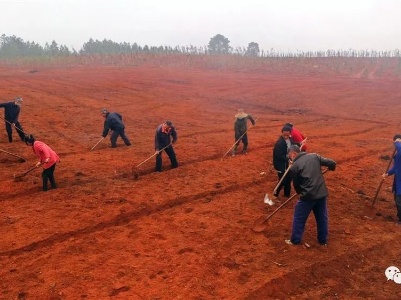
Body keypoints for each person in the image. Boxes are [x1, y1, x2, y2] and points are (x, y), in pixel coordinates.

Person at [285, 145, 336, 246]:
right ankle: (323, 241)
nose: (290, 159)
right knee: (322, 217)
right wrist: (332, 167)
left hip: (308, 196)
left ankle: (295, 240)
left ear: (293, 154)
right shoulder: (314, 156)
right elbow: (331, 163)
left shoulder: (295, 166)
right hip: (321, 193)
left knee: (299, 217)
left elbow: (296, 185)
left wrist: (300, 193)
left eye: (289, 156)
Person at [382, 134, 401, 225]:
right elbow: (395, 167)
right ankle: (399, 216)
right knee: (397, 198)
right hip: (398, 179)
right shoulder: (398, 155)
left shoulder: (400, 149)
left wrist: (397, 142)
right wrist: (387, 173)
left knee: (399, 199)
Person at [273, 125, 294, 198]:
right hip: (280, 164)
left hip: (287, 163)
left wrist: (300, 144)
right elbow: (278, 155)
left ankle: (287, 194)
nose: (286, 135)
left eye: (287, 134)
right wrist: (288, 159)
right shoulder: (280, 143)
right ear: (282, 133)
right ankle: (275, 194)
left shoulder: (290, 139)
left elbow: (293, 144)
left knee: (289, 178)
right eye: (284, 134)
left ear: (290, 133)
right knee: (282, 180)